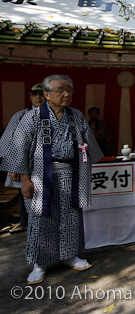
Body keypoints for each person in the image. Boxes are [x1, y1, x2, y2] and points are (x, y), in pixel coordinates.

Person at [2, 75, 103, 285]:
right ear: (47, 95)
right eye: (60, 90)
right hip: (40, 175)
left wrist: (86, 171)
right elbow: (20, 148)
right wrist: (25, 180)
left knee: (70, 217)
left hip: (70, 173)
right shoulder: (32, 117)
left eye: (69, 90)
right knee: (41, 219)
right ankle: (39, 263)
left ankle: (70, 255)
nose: (66, 94)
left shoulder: (76, 116)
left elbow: (87, 146)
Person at [0, 83, 46, 234]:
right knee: (25, 194)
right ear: (30, 96)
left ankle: (44, 226)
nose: (38, 97)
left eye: (41, 93)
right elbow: (9, 141)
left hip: (47, 163)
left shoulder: (54, 115)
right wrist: (13, 166)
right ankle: (27, 224)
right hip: (25, 163)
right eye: (34, 94)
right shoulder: (20, 115)